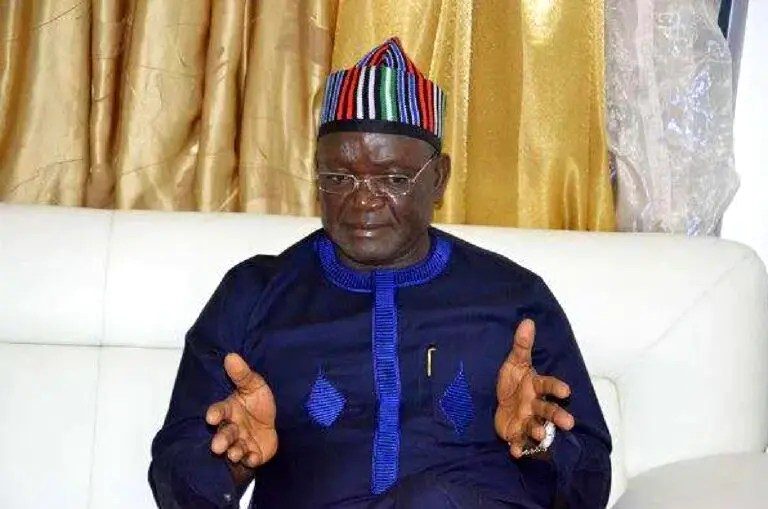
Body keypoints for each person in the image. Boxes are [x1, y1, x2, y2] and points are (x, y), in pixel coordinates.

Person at [149, 37, 611, 509]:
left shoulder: (513, 298)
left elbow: (591, 484)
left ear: (439, 179)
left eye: (393, 178)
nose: (363, 199)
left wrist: (542, 441)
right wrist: (230, 463)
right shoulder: (254, 294)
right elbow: (174, 478)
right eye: (338, 177)